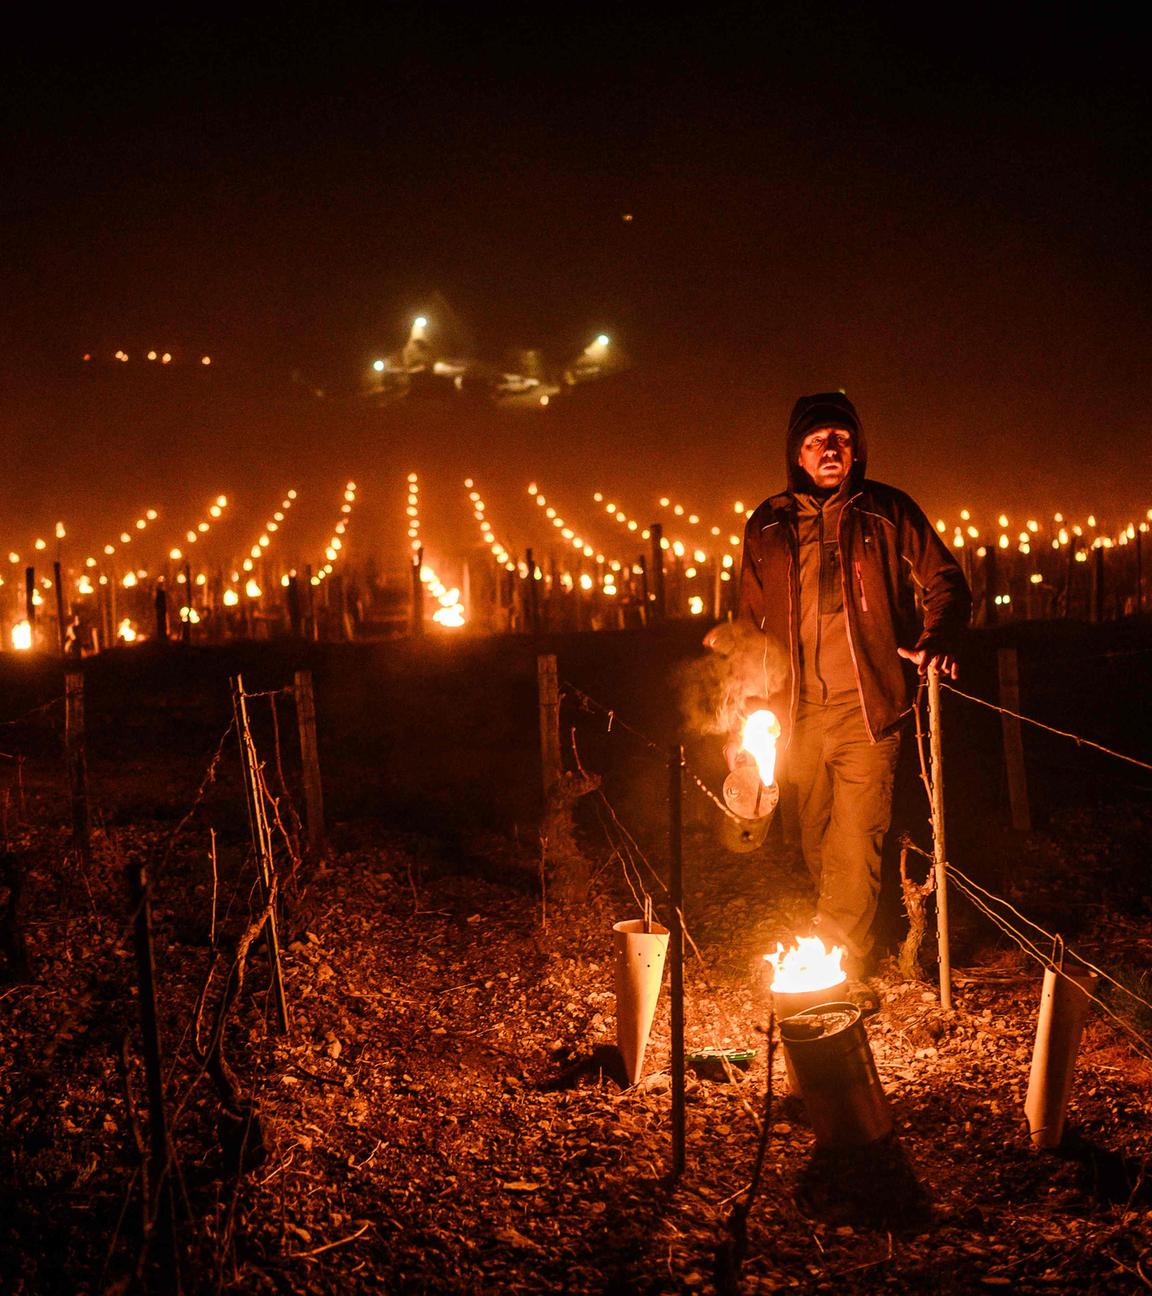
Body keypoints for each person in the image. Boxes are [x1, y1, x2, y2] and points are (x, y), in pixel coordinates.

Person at [732, 390, 970, 979]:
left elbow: (945, 581)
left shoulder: (886, 511)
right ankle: (842, 938)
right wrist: (749, 707)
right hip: (795, 716)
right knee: (814, 841)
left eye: (839, 438)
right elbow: (749, 622)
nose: (829, 449)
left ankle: (836, 966)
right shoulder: (767, 523)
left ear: (857, 447)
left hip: (870, 710)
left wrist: (938, 638)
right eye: (815, 443)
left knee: (856, 838)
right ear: (797, 455)